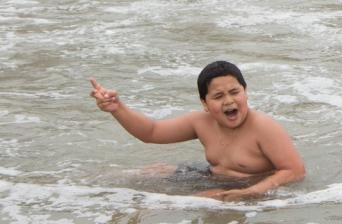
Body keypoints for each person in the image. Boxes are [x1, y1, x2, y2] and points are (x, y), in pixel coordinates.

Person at [90, 60, 306, 201]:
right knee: (140, 174)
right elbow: (151, 132)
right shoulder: (201, 122)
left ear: (245, 92)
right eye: (218, 96)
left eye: (234, 92)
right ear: (204, 103)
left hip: (249, 186)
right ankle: (82, 189)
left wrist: (252, 192)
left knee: (182, 203)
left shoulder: (263, 127)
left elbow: (295, 171)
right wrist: (117, 109)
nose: (229, 101)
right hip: (205, 174)